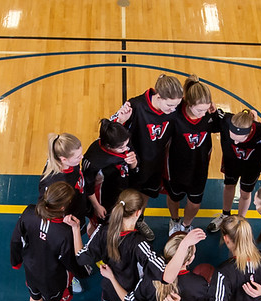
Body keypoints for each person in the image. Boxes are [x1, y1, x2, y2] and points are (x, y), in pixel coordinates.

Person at [73, 189, 168, 301]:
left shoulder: (103, 230)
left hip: (110, 283)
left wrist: (74, 230)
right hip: (132, 292)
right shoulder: (139, 243)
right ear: (138, 212)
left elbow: (81, 257)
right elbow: (161, 271)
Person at [9, 182, 88, 301]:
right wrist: (83, 271)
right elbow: (71, 260)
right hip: (55, 277)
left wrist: (16, 261)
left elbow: (16, 240)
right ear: (63, 208)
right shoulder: (65, 232)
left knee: (35, 295)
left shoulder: (28, 213)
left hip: (32, 270)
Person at [111, 74, 184, 238]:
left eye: (176, 105)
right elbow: (111, 131)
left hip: (155, 162)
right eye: (170, 105)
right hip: (133, 164)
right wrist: (120, 121)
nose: (173, 110)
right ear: (159, 96)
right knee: (127, 198)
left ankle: (139, 220)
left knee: (145, 194)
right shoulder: (136, 105)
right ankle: (120, 229)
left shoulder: (174, 107)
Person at [163, 75, 217, 235]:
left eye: (206, 108)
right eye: (200, 109)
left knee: (194, 203)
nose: (203, 113)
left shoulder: (210, 115)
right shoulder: (175, 115)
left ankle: (186, 225)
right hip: (175, 167)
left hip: (198, 169)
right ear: (189, 104)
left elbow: (232, 124)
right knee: (174, 198)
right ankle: (174, 220)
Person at [208, 108, 261, 233]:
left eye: (239, 139)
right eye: (233, 138)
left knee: (245, 193)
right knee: (228, 186)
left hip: (251, 168)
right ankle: (225, 215)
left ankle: (240, 221)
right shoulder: (225, 121)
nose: (235, 141)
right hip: (231, 162)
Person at [39, 133, 88, 292]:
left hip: (77, 212)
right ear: (63, 159)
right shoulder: (54, 182)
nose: (81, 158)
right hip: (65, 224)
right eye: (77, 157)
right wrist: (65, 221)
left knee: (77, 244)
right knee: (67, 254)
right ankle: (70, 276)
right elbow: (47, 207)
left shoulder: (70, 164)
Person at [82, 119, 138, 235]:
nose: (126, 149)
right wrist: (97, 206)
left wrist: (134, 162)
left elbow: (134, 168)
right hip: (103, 198)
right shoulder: (93, 160)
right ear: (108, 146)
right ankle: (94, 245)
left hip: (122, 190)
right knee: (97, 225)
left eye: (127, 144)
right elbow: (88, 186)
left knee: (118, 220)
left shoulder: (123, 141)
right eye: (121, 148)